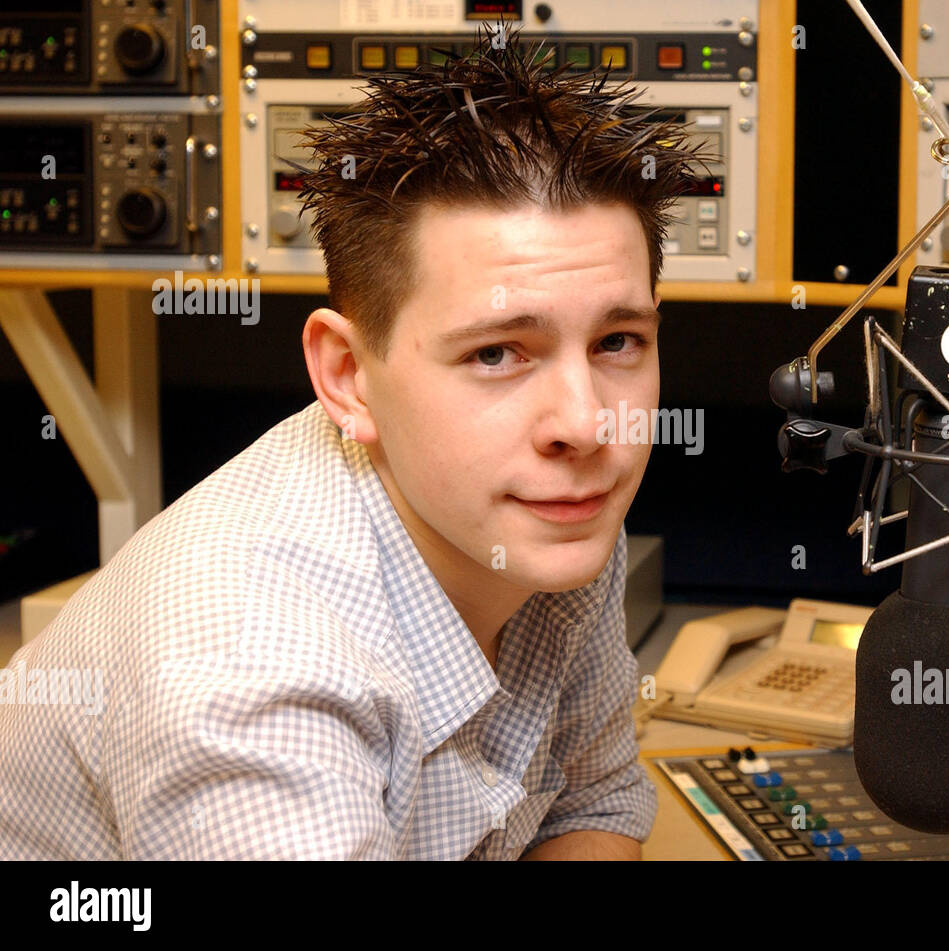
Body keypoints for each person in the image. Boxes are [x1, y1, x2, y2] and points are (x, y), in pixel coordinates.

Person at [0, 31, 706, 860]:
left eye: (617, 341)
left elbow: (595, 797)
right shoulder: (250, 679)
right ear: (346, 376)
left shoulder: (543, 511)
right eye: (495, 353)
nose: (586, 426)